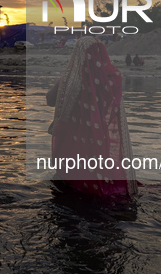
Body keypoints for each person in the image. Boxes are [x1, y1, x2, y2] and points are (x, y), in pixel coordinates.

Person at [46, 37, 138, 199]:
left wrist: (63, 81)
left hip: (73, 141)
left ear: (78, 55)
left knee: (70, 185)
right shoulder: (113, 79)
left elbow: (49, 100)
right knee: (96, 176)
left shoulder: (70, 80)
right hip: (99, 139)